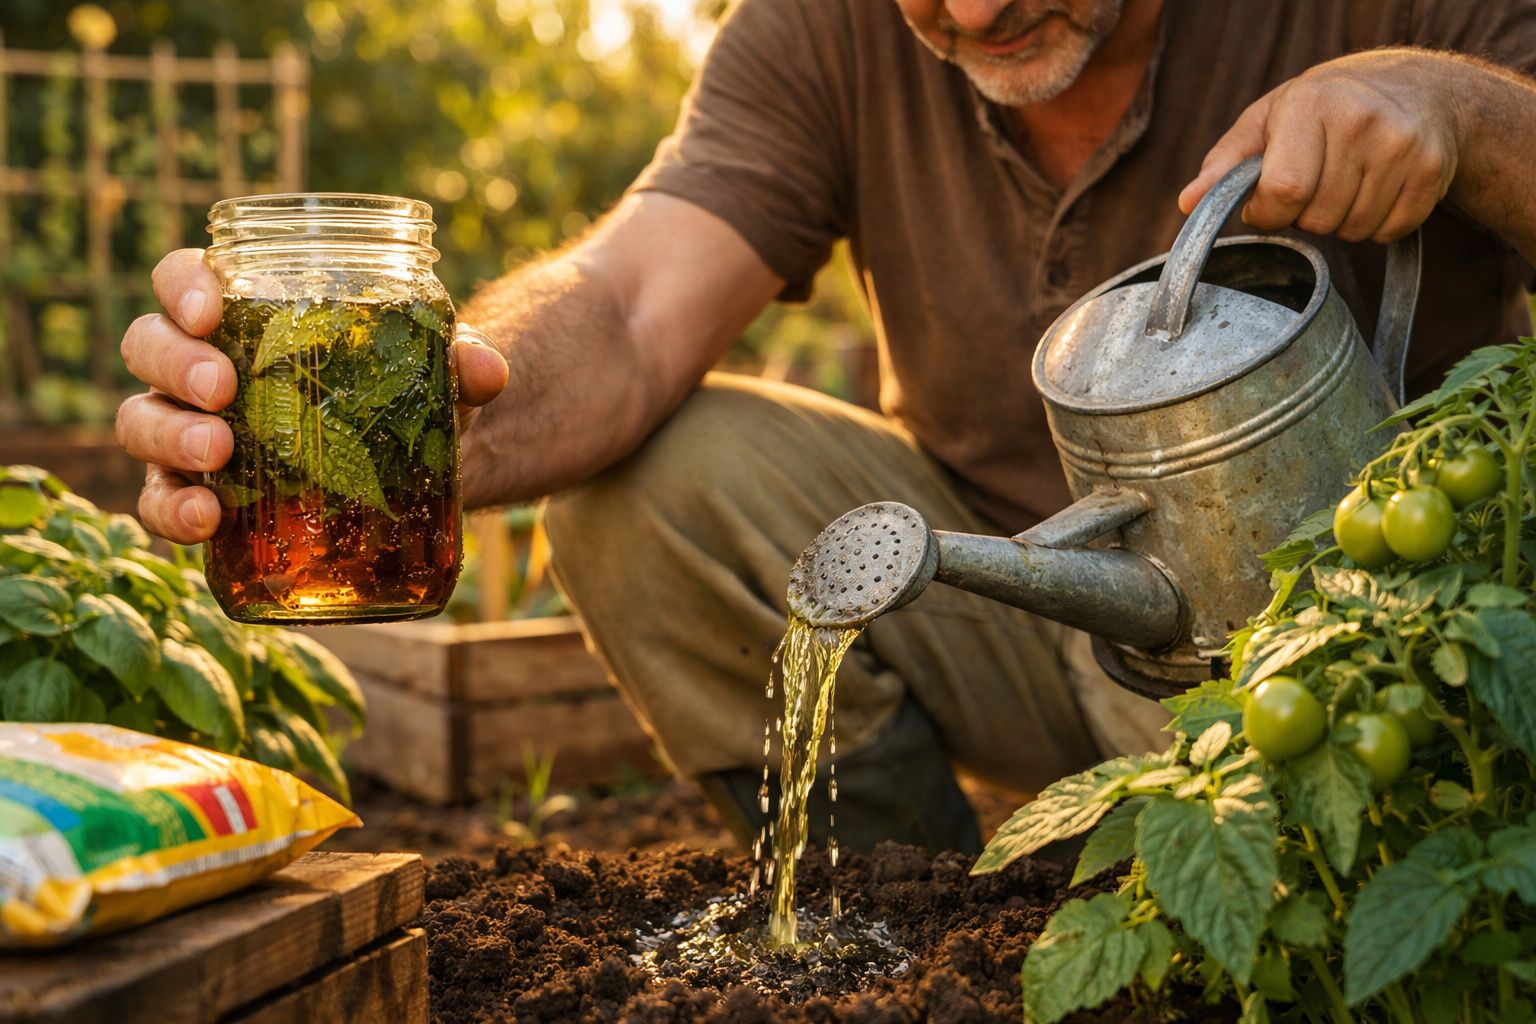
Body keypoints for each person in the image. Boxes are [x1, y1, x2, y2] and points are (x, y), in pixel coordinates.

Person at [116, 0, 1536, 853]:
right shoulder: (822, 29)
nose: (975, 12)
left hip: (1372, 656)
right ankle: (894, 918)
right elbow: (622, 313)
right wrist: (376, 438)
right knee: (652, 481)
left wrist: (1460, 113)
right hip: (1021, 604)